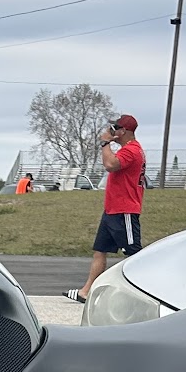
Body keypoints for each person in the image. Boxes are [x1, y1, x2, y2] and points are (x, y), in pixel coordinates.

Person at [65, 113, 145, 303]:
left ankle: (141, 294)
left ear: (123, 131)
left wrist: (105, 143)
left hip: (124, 210)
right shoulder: (128, 149)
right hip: (112, 209)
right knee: (100, 250)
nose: (112, 130)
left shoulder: (132, 150)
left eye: (115, 128)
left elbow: (110, 164)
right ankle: (86, 291)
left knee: (133, 255)